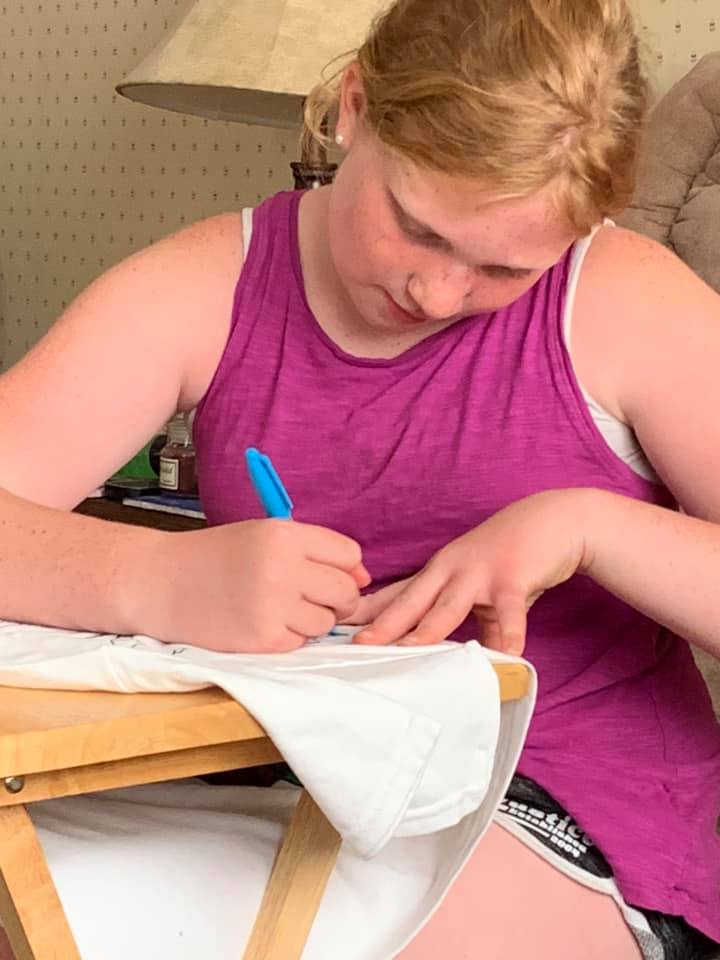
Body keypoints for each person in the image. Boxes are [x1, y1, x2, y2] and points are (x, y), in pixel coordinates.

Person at [0, 0, 718, 956]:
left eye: (503, 267)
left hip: (569, 809)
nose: (436, 293)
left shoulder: (631, 301)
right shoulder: (204, 284)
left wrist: (592, 527)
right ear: (353, 108)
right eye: (416, 229)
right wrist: (163, 581)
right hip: (287, 782)